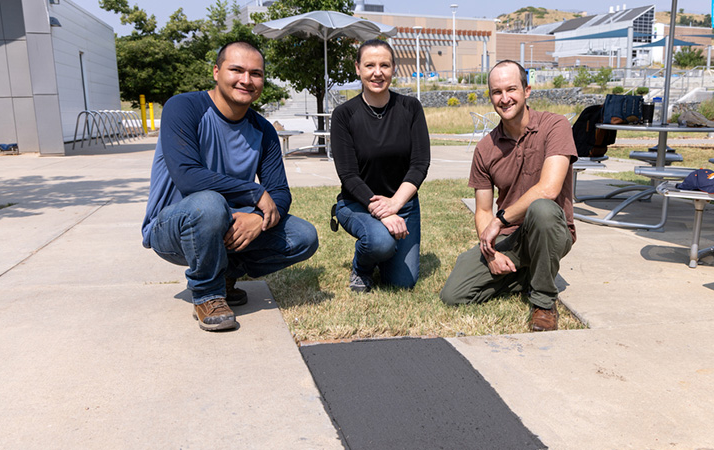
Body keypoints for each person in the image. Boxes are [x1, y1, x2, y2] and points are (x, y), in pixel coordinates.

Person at [141, 41, 318, 331]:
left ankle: (224, 273)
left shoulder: (263, 130)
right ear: (216, 71)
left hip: (229, 226)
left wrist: (258, 219)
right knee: (209, 203)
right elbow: (187, 175)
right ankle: (207, 294)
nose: (246, 80)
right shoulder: (184, 108)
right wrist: (254, 193)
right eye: (236, 70)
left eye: (256, 73)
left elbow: (280, 193)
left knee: (303, 235)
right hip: (173, 227)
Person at [440, 60, 577, 332]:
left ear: (527, 90)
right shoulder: (485, 148)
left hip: (551, 228)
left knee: (541, 209)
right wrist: (490, 252)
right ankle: (531, 272)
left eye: (511, 89)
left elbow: (549, 190)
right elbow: (482, 211)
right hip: (510, 238)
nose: (504, 99)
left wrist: (499, 221)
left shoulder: (555, 126)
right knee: (453, 295)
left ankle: (543, 303)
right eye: (496, 92)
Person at [331, 40, 431, 292]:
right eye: (370, 65)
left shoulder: (410, 108)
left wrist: (395, 204)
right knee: (379, 242)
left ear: (394, 68)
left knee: (401, 283)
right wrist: (384, 213)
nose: (378, 72)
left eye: (384, 65)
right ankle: (362, 266)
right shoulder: (344, 114)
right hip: (357, 203)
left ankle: (382, 252)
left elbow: (420, 164)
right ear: (358, 68)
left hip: (403, 204)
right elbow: (348, 174)